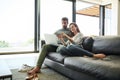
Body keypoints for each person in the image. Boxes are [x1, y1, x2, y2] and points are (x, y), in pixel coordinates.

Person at [27, 22, 106, 77]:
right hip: (68, 49)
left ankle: (93, 55)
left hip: (76, 48)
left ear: (76, 27)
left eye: (73, 27)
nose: (71, 28)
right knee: (46, 46)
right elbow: (65, 44)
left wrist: (66, 36)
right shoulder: (71, 36)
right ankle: (37, 67)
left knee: (69, 47)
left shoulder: (80, 34)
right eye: (70, 27)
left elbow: (75, 43)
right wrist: (61, 39)